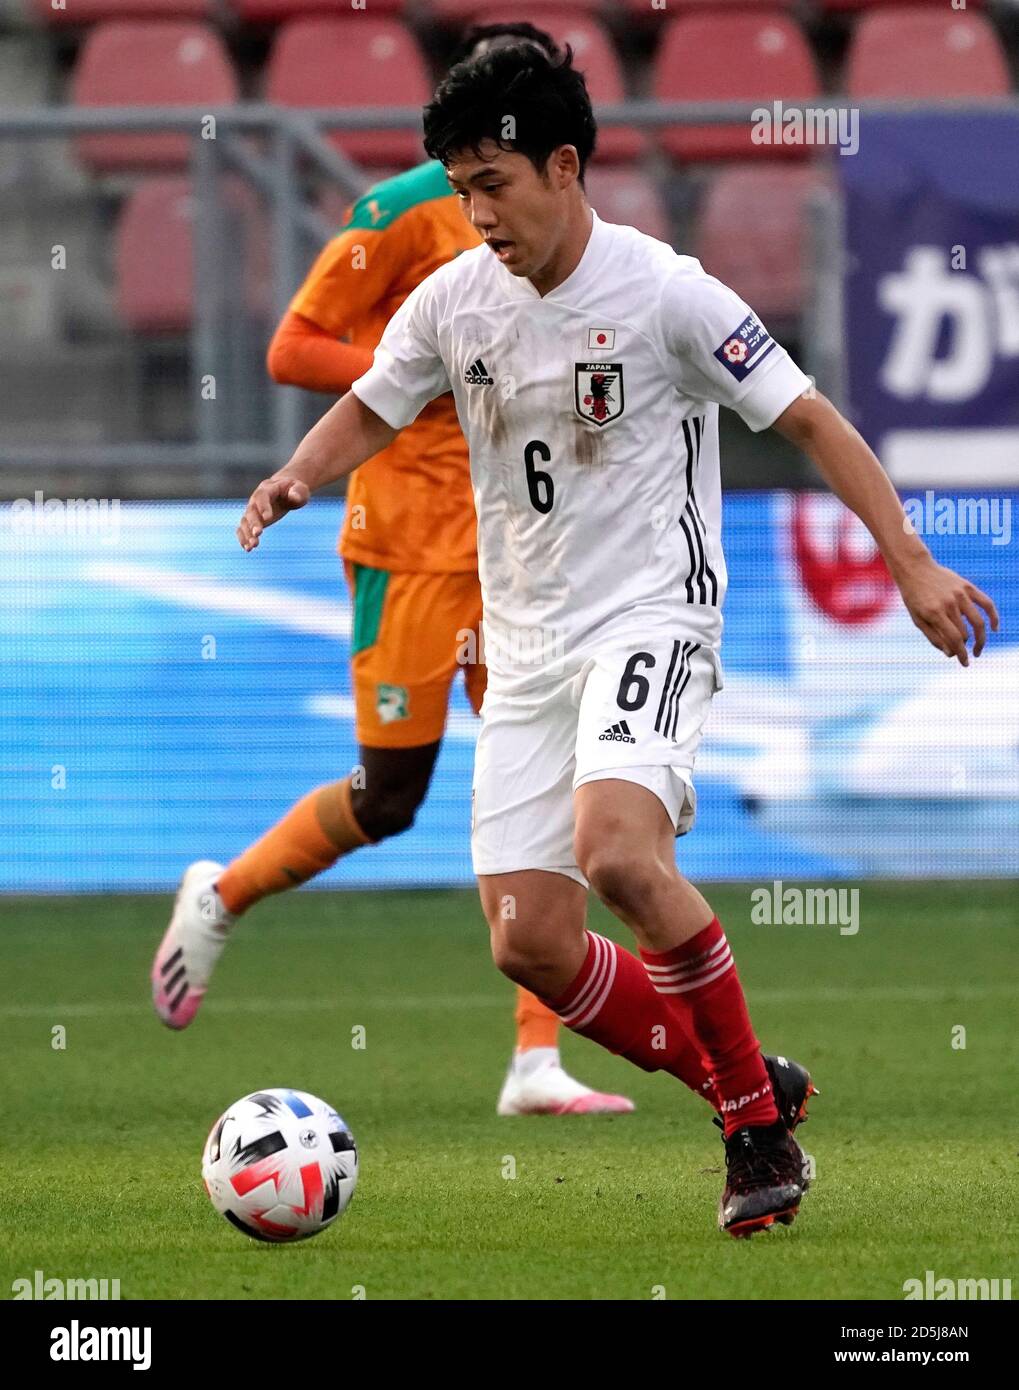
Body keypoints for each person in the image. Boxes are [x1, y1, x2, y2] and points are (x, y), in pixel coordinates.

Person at [233, 42, 997, 1236]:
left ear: (565, 163)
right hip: (525, 640)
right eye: (457, 186)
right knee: (527, 941)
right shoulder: (452, 299)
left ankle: (754, 1143)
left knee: (620, 855)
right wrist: (292, 476)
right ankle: (747, 1086)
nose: (473, 212)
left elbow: (806, 416)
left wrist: (906, 555)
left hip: (652, 610)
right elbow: (370, 403)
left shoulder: (664, 291)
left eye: (492, 182)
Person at [151, 23, 633, 1119]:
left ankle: (533, 1062)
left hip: (516, 550)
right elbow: (290, 346)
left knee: (547, 790)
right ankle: (222, 894)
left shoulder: (567, 223)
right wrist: (424, 376)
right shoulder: (406, 211)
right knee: (390, 794)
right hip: (406, 541)